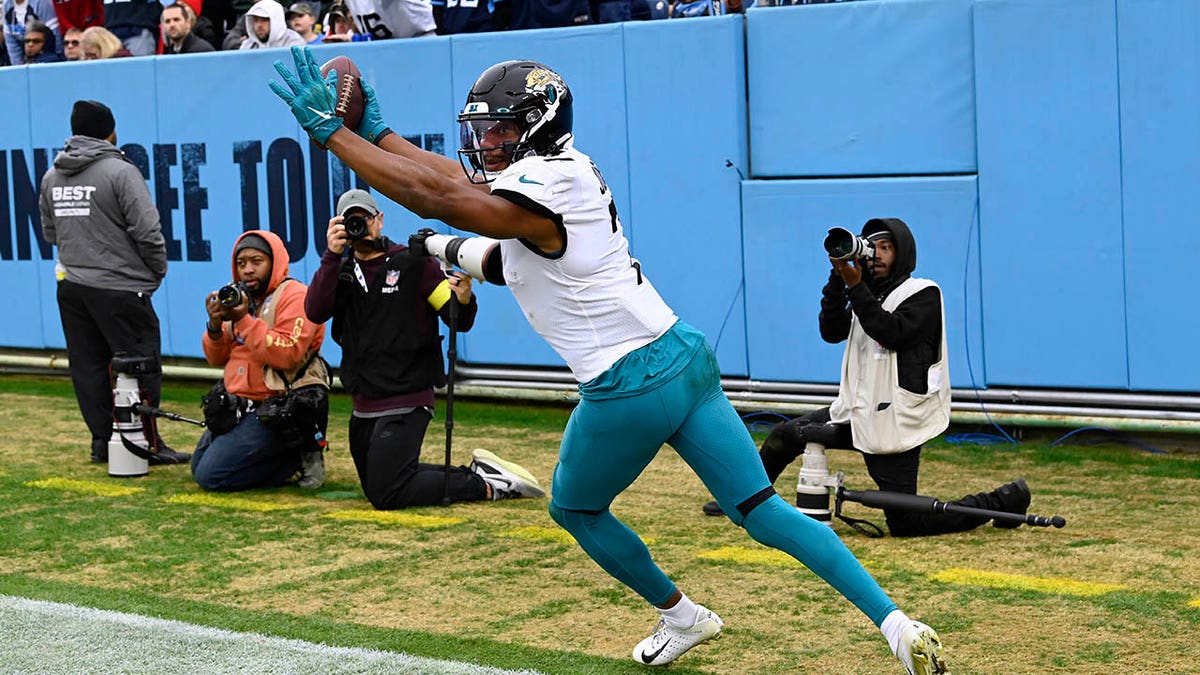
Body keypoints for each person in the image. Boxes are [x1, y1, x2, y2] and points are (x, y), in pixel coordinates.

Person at [270, 49, 949, 674]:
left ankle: (681, 613)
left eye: (500, 131)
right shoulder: (560, 172)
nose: (485, 144)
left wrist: (339, 138)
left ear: (538, 126)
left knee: (574, 507)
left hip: (628, 382)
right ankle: (895, 622)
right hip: (683, 356)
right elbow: (483, 224)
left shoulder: (543, 183)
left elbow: (450, 197)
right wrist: (387, 142)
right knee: (762, 508)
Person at [701, 219, 1032, 537]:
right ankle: (743, 501)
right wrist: (837, 278)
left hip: (895, 420)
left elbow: (890, 332)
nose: (877, 254)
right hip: (854, 413)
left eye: (886, 247)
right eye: (872, 247)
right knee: (784, 436)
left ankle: (1004, 500)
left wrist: (856, 287)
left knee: (906, 525)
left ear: (903, 252)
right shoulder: (867, 295)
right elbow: (831, 331)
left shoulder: (923, 293)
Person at [304, 189, 545, 508]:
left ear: (379, 220)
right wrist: (331, 256)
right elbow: (315, 311)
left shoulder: (413, 263)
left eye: (365, 218)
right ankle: (480, 473)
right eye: (351, 221)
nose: (360, 226)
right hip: (364, 401)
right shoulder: (340, 270)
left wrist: (463, 298)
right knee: (384, 481)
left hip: (407, 395)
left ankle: (487, 485)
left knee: (386, 493)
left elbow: (456, 319)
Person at [39, 100, 190, 466]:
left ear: (74, 132)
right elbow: (148, 231)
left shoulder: (52, 175)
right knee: (139, 365)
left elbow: (49, 233)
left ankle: (102, 442)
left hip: (72, 286)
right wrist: (156, 271)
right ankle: (144, 444)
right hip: (121, 288)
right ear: (111, 132)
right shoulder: (120, 172)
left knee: (89, 365)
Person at [192, 230, 330, 491]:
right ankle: (280, 454)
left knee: (210, 477)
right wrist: (214, 325)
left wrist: (243, 320)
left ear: (274, 262)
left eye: (257, 261)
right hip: (240, 403)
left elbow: (287, 354)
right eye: (241, 264)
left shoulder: (296, 295)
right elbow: (215, 358)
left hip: (280, 405)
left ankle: (296, 452)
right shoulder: (239, 298)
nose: (248, 270)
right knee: (198, 467)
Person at [4, 0, 60, 65]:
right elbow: (11, 43)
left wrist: (58, 61)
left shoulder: (41, 3)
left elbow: (55, 35)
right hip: (26, 59)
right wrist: (18, 68)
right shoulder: (6, 5)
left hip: (49, 58)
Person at [237, 0, 304, 49]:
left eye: (264, 20)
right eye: (256, 20)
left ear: (276, 20)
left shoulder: (294, 42)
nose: (259, 25)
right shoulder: (248, 45)